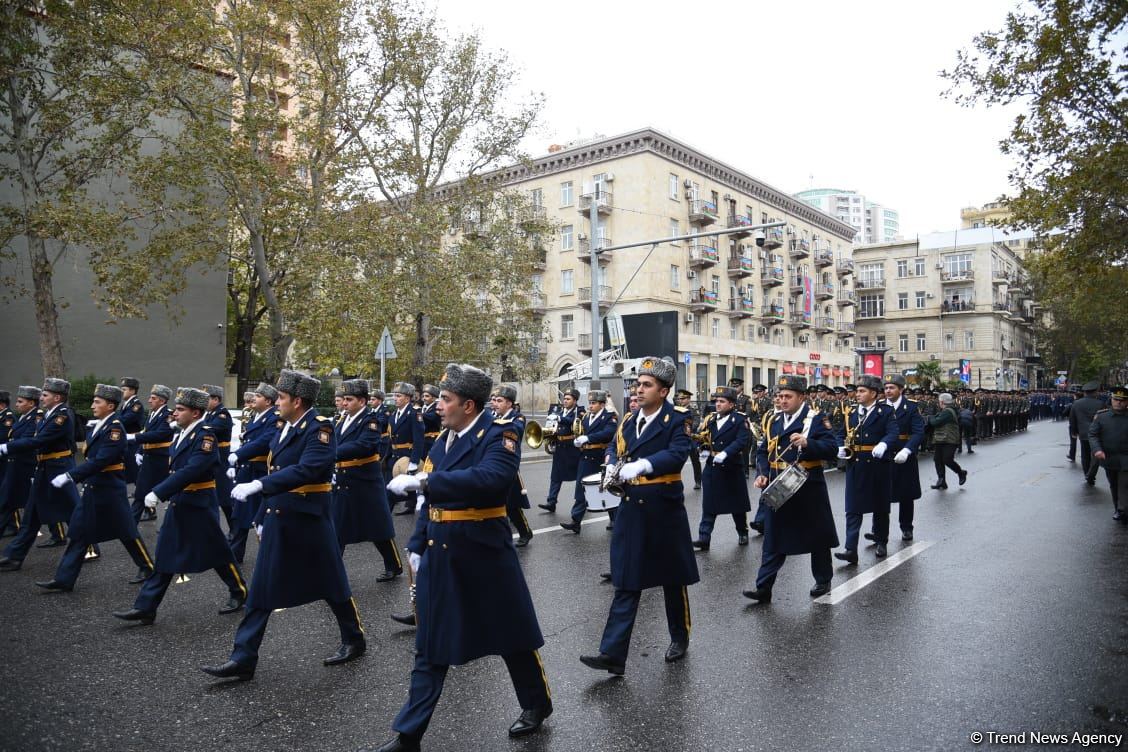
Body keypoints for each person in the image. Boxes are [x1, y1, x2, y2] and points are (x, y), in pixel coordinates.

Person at [367, 363, 551, 752]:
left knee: (511, 636)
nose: (437, 406)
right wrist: (416, 546)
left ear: (468, 405)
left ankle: (536, 704)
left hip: (484, 552)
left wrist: (426, 479)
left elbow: (491, 480)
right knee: (430, 644)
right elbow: (429, 505)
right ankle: (409, 735)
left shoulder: (500, 434)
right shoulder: (443, 439)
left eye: (445, 400)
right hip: (442, 551)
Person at [202, 370, 364, 681]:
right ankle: (244, 657)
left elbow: (307, 469)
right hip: (280, 516)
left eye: (282, 398)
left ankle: (354, 638)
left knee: (332, 584)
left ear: (298, 401)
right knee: (262, 587)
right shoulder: (285, 428)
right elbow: (276, 465)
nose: (277, 403)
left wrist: (260, 485)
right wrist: (262, 514)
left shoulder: (320, 429)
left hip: (308, 519)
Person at [579, 357, 696, 674]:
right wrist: (611, 464)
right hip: (632, 507)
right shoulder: (629, 420)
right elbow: (618, 450)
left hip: (663, 507)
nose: (638, 389)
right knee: (627, 580)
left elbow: (677, 454)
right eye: (637, 384)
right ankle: (613, 654)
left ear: (664, 391)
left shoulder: (678, 419)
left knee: (672, 578)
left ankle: (680, 636)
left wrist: (643, 465)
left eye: (646, 385)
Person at [113, 387, 247, 624]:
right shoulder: (183, 433)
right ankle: (146, 606)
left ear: (196, 413)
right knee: (165, 553)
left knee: (218, 553)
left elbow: (192, 469)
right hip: (180, 503)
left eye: (181, 409)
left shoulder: (205, 437)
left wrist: (159, 491)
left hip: (199, 505)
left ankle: (239, 590)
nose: (175, 413)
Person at [35, 384, 154, 592]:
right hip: (94, 487)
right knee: (79, 532)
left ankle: (148, 567)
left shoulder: (115, 428)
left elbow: (102, 460)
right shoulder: (100, 425)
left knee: (127, 531)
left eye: (97, 402)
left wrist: (71, 475)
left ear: (110, 405)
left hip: (109, 489)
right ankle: (64, 579)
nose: (92, 406)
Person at [744, 375, 839, 602]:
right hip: (780, 485)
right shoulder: (774, 420)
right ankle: (763, 587)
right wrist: (762, 474)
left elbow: (831, 448)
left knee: (817, 535)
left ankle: (823, 579)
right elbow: (762, 451)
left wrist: (809, 443)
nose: (782, 400)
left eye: (788, 396)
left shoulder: (815, 419)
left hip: (807, 484)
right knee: (774, 537)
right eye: (780, 396)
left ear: (801, 397)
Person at [0, 379, 81, 571]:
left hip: (59, 468)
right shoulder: (49, 414)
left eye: (45, 395)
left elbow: (40, 440)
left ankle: (89, 547)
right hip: (46, 468)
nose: (41, 398)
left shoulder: (62, 416)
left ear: (57, 397)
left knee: (73, 511)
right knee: (31, 515)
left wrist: (5, 447)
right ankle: (14, 556)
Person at [332, 379, 403, 581]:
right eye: (343, 399)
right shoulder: (342, 420)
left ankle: (394, 565)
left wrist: (333, 453)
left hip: (365, 483)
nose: (344, 403)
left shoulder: (370, 421)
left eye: (349, 399)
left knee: (378, 528)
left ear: (362, 402)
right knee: (337, 528)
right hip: (344, 481)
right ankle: (332, 573)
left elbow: (365, 445)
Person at [833, 374, 899, 563]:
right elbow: (840, 433)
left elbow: (892, 432)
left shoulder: (885, 411)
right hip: (856, 464)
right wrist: (839, 447)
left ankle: (881, 541)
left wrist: (884, 444)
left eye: (862, 391)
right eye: (857, 391)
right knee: (853, 508)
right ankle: (850, 549)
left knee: (880, 506)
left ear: (874, 394)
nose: (857, 394)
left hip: (878, 464)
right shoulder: (851, 412)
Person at [226, 382, 281, 563]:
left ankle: (270, 557)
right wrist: (237, 462)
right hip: (247, 470)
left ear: (268, 401)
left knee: (263, 516)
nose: (253, 399)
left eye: (258, 396)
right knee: (240, 513)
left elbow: (265, 441)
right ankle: (235, 553)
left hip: (261, 472)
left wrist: (239, 454)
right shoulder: (255, 416)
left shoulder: (274, 417)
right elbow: (248, 440)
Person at [693, 386, 751, 550]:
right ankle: (704, 537)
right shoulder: (711, 419)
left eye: (722, 401)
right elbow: (702, 436)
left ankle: (742, 531)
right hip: (713, 466)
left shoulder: (740, 420)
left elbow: (741, 441)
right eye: (716, 401)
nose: (717, 404)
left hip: (731, 466)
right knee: (709, 503)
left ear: (732, 404)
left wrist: (726, 453)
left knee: (737, 504)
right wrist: (701, 448)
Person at [561, 391, 618, 535]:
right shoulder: (586, 417)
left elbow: (608, 433)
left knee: (608, 489)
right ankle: (576, 521)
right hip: (586, 457)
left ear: (602, 404)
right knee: (581, 489)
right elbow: (580, 431)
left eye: (594, 403)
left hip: (600, 457)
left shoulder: (609, 417)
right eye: (590, 403)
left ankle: (615, 520)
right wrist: (577, 440)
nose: (591, 406)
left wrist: (588, 438)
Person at [880, 375, 925, 543]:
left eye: (892, 388)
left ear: (901, 390)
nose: (888, 391)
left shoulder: (911, 407)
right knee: (881, 495)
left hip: (904, 455)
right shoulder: (880, 407)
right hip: (884, 455)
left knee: (906, 494)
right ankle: (878, 531)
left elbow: (918, 432)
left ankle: (906, 527)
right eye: (886, 388)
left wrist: (907, 450)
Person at [489, 385, 533, 547]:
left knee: (512, 504)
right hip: (491, 464)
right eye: (494, 400)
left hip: (508, 465)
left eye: (499, 401)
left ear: (509, 404)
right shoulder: (490, 415)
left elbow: (515, 431)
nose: (495, 403)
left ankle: (525, 532)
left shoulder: (517, 417)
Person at [131, 385, 175, 523]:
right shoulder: (152, 413)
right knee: (140, 492)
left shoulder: (168, 415)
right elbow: (146, 431)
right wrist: (140, 451)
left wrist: (134, 437)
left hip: (162, 460)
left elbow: (159, 434)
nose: (149, 400)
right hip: (150, 458)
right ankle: (131, 524)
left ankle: (172, 524)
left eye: (153, 398)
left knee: (171, 493)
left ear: (162, 401)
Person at [539, 389, 583, 512]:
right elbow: (552, 425)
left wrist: (560, 419)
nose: (565, 401)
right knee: (555, 476)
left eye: (568, 399)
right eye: (564, 398)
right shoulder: (558, 410)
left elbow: (576, 422)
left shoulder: (580, 411)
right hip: (560, 447)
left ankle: (583, 502)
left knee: (580, 478)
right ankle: (551, 502)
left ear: (575, 400)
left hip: (573, 448)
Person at [1090, 385, 1128, 522]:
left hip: (1126, 457)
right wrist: (1097, 449)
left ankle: (1123, 509)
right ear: (1111, 400)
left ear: (1127, 402)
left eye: (1122, 400)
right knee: (1114, 484)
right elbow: (1093, 434)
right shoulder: (1102, 416)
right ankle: (1118, 508)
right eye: (1116, 399)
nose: (1119, 402)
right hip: (1109, 457)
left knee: (1124, 483)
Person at [388, 382, 425, 515]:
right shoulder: (394, 414)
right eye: (395, 395)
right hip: (394, 457)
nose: (395, 398)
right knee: (390, 492)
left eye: (398, 395)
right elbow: (391, 439)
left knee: (390, 495)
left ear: (408, 398)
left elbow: (419, 439)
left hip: (407, 457)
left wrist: (414, 462)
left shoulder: (414, 413)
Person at [202, 385, 235, 528]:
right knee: (213, 497)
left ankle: (234, 528)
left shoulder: (223, 414)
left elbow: (211, 429)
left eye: (206, 399)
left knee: (225, 498)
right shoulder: (210, 413)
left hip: (221, 460)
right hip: (212, 459)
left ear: (216, 399)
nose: (204, 403)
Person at [929, 393, 968, 490]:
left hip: (950, 439)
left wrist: (930, 417)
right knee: (937, 459)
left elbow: (935, 422)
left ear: (942, 402)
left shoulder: (948, 411)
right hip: (940, 439)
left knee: (947, 459)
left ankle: (960, 472)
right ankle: (941, 481)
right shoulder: (946, 410)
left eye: (939, 401)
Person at [1070, 381, 1105, 486]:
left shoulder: (1076, 403)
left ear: (1084, 392)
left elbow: (1072, 419)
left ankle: (1087, 474)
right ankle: (1091, 474)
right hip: (1097, 434)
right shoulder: (1100, 404)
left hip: (1083, 433)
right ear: (1095, 392)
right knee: (1096, 455)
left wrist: (1074, 432)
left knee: (1085, 455)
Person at [116, 377, 146, 488]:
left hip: (133, 441)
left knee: (134, 468)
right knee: (127, 467)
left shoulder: (136, 405)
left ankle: (142, 492)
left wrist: (111, 422)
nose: (122, 391)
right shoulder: (127, 404)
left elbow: (125, 419)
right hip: (126, 439)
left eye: (124, 389)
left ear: (132, 391)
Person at [675, 389, 703, 489]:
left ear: (688, 399)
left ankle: (698, 481)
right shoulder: (676, 410)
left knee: (695, 461)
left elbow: (696, 422)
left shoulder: (693, 410)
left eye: (683, 399)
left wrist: (688, 430)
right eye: (679, 399)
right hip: (679, 440)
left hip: (691, 439)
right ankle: (675, 482)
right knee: (677, 462)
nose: (680, 401)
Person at [419, 385, 442, 456]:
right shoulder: (423, 408)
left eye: (427, 396)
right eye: (423, 396)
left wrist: (417, 414)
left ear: (434, 398)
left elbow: (432, 417)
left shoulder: (436, 408)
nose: (424, 398)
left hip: (431, 440)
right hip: (422, 441)